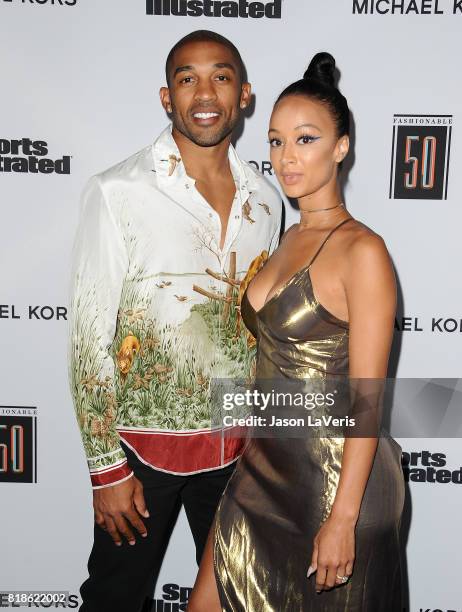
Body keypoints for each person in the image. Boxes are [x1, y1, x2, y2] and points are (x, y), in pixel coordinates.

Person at [68, 30, 282, 612]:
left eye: (221, 76)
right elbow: (89, 339)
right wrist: (105, 470)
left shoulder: (267, 201)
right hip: (140, 453)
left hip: (236, 449)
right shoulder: (118, 192)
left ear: (244, 94)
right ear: (168, 98)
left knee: (239, 598)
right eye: (188, 78)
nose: (204, 92)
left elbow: (259, 331)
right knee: (115, 598)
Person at [188, 52, 405, 611]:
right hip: (261, 474)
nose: (287, 158)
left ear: (341, 148)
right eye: (277, 141)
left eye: (305, 140)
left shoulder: (363, 252)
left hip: (334, 485)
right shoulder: (284, 239)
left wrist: (343, 518)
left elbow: (366, 400)